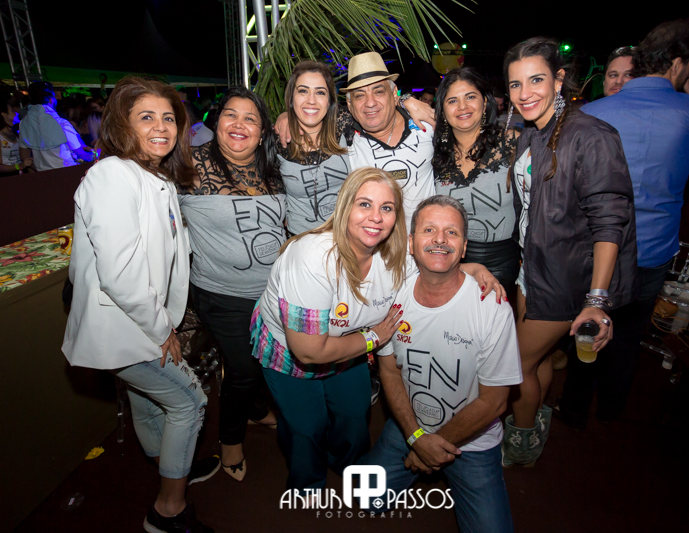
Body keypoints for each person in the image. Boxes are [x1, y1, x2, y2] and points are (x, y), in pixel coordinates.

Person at [250, 167, 502, 491]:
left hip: (349, 345)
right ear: (345, 207)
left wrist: (477, 269)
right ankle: (308, 483)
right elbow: (309, 351)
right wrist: (373, 338)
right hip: (292, 350)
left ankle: (348, 467)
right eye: (364, 204)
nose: (376, 217)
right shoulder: (312, 257)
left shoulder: (395, 256)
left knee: (354, 413)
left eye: (387, 207)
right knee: (306, 425)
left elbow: (438, 266)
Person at [568, 21, 689, 429]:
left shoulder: (591, 113)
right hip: (651, 250)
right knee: (628, 336)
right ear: (680, 64)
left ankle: (574, 412)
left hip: (592, 247)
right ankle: (611, 411)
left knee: (584, 327)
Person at [62, 76, 215, 533]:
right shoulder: (112, 175)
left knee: (148, 402)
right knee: (189, 402)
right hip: (127, 325)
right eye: (146, 117)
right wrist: (162, 328)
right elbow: (121, 275)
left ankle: (169, 462)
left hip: (140, 321)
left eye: (168, 117)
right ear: (122, 125)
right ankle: (168, 509)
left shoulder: (154, 175)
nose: (161, 127)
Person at [501, 37, 638, 465]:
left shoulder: (591, 135)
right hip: (533, 269)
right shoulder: (533, 131)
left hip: (566, 279)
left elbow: (610, 223)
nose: (525, 93)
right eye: (515, 84)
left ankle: (521, 443)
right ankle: (538, 419)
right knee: (538, 358)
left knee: (513, 365)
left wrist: (596, 299)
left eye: (536, 80)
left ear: (558, 80)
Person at [361, 195, 521, 533]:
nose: (440, 239)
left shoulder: (492, 308)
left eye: (452, 232)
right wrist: (416, 437)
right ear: (410, 243)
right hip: (409, 425)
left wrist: (430, 447)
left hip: (473, 440)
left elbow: (494, 402)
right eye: (429, 230)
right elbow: (389, 371)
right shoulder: (392, 296)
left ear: (464, 248)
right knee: (361, 497)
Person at [178, 86, 283, 482]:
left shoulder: (274, 165)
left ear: (262, 130)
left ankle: (255, 410)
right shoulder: (188, 166)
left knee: (263, 363)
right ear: (216, 121)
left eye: (250, 118)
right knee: (243, 369)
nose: (239, 124)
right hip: (221, 295)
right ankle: (230, 440)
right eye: (231, 115)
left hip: (273, 292)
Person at [432, 67, 519, 298]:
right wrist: (406, 100)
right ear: (443, 110)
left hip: (503, 261)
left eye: (470, 97)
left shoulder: (512, 143)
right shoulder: (433, 152)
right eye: (452, 101)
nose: (462, 107)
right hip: (449, 259)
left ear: (485, 102)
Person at [341, 51, 437, 229]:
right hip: (373, 244)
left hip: (425, 242)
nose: (370, 103)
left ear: (394, 95)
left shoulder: (427, 127)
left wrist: (407, 100)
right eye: (359, 95)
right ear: (350, 105)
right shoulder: (344, 142)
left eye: (378, 92)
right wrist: (287, 117)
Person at [278, 61, 351, 236]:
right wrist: (284, 116)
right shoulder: (277, 143)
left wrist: (405, 100)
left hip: (345, 239)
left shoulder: (345, 125)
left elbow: (379, 109)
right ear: (291, 97)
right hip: (300, 240)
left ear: (329, 101)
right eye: (303, 91)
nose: (311, 100)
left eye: (320, 92)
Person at [19, 82, 95, 170]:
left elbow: (24, 156)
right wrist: (98, 155)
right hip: (66, 171)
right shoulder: (61, 123)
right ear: (51, 100)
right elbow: (82, 155)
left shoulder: (24, 123)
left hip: (42, 173)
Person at [0, 98, 34, 175]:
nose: (16, 113)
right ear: (4, 114)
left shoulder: (16, 133)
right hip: (7, 177)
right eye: (12, 111)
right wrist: (20, 166)